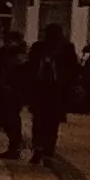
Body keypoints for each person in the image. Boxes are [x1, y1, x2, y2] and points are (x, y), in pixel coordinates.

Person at [20, 31, 81, 163]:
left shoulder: (66, 50)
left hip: (56, 91)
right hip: (41, 91)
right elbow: (31, 68)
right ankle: (40, 147)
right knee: (41, 121)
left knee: (49, 122)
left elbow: (72, 70)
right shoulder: (39, 49)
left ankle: (46, 148)